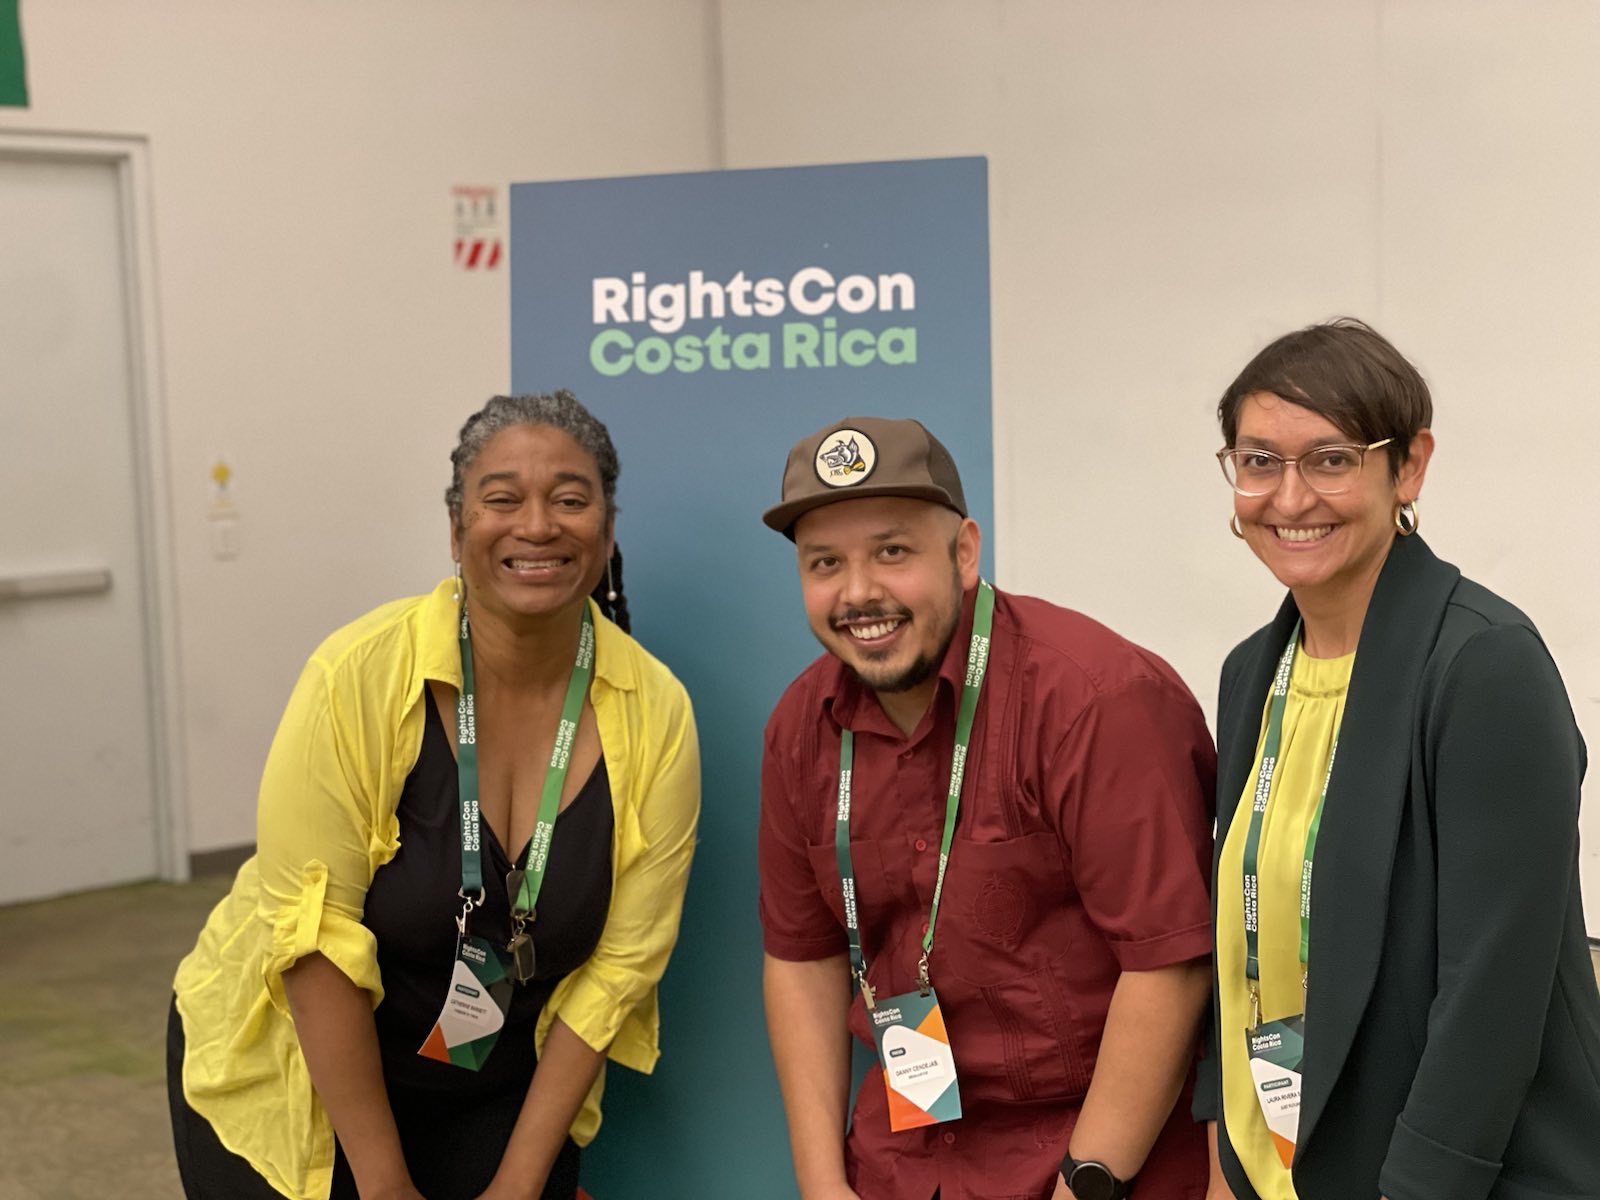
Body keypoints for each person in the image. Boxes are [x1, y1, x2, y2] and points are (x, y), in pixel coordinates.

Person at [167, 391, 700, 1200]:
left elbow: (620, 971)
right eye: (501, 499)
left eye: (570, 498)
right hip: (302, 1064)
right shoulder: (358, 676)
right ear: (457, 532)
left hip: (489, 1076)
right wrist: (385, 1188)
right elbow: (313, 947)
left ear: (607, 528)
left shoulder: (654, 711)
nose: (537, 525)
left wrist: (520, 1183)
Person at [758, 417, 1217, 1200]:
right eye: (825, 563)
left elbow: (1168, 965)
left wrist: (1087, 1182)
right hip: (905, 1157)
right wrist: (823, 1187)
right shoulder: (802, 725)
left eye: (892, 552)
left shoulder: (1092, 698)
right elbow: (803, 959)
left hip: (1098, 1158)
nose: (859, 591)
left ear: (964, 552)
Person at [1196, 319, 1600, 1200]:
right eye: (1259, 461)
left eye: (1332, 459)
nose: (1290, 497)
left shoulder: (1485, 664)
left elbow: (1492, 994)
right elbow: (1246, 946)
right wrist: (1231, 1157)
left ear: (1408, 466)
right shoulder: (1249, 675)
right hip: (1282, 1168)